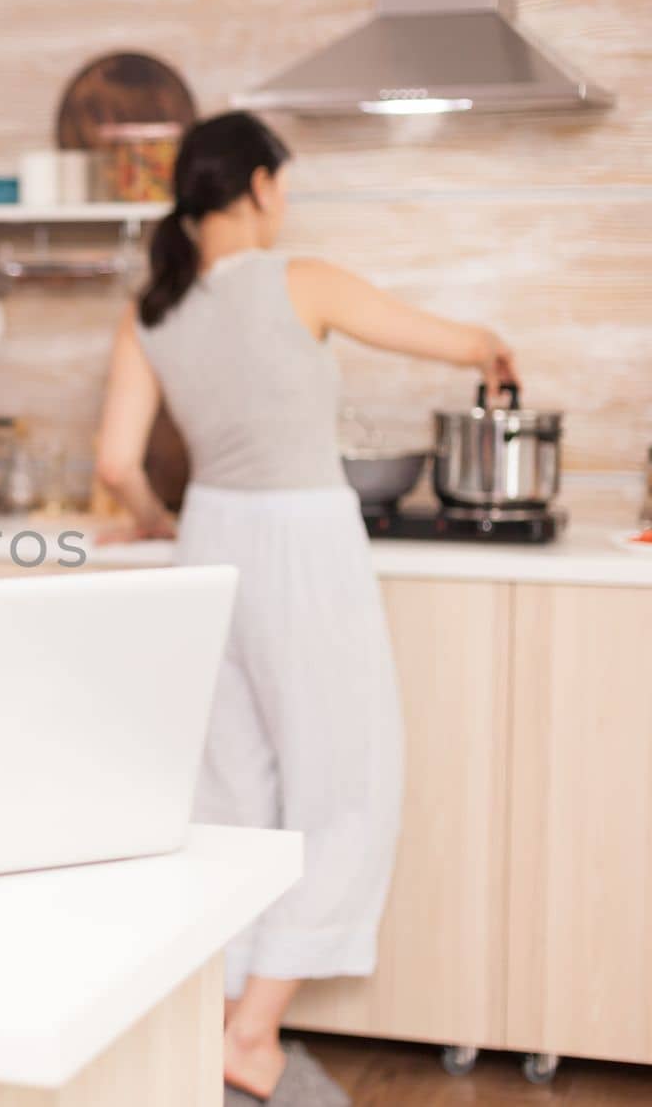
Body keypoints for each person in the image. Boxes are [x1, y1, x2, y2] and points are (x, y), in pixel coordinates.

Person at [94, 111, 518, 1103]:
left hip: (208, 542)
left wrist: (158, 520)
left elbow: (117, 461)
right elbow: (443, 338)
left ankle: (216, 1011)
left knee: (230, 791)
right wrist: (492, 347)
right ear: (255, 187)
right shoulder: (303, 282)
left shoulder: (148, 308)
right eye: (281, 187)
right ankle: (252, 1030)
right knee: (347, 782)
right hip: (304, 542)